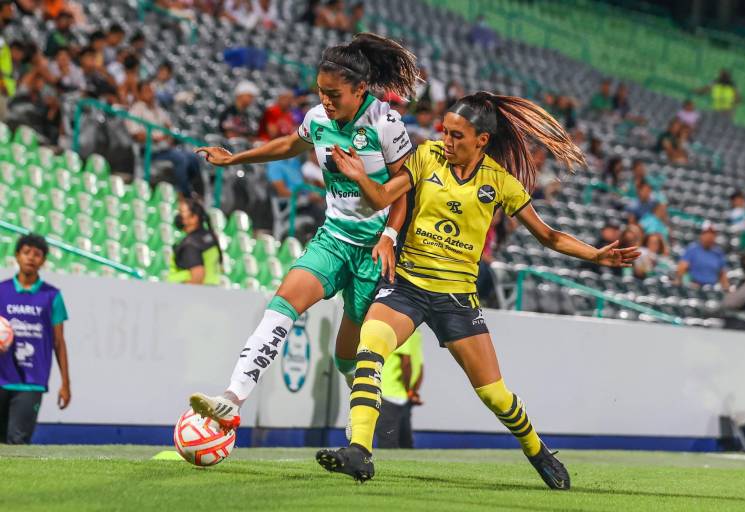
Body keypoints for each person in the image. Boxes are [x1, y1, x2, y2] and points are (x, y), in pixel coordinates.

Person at [315, 91, 639, 489]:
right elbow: (384, 196)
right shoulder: (425, 157)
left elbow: (548, 236)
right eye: (445, 133)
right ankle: (360, 451)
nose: (446, 142)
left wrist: (594, 255)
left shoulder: (499, 182)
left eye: (456, 136)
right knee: (371, 346)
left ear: (481, 140)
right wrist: (361, 177)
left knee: (494, 395)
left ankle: (537, 449)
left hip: (457, 300)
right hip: (408, 285)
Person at [189, 33, 420, 431]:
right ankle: (232, 396)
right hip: (334, 239)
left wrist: (389, 237)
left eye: (335, 94)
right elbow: (288, 145)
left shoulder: (385, 123)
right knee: (282, 303)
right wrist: (236, 158)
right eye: (321, 92)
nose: (326, 102)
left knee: (346, 356)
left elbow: (407, 185)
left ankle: (361, 404)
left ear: (360, 88)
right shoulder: (317, 119)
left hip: (374, 251)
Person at [0, 234, 71, 444]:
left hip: (31, 383)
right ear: (17, 255)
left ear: (44, 260)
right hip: (1, 378)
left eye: (37, 254)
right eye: (26, 252)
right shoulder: (1, 290)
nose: (31, 258)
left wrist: (65, 383)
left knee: (17, 442)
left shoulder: (52, 296)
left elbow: (59, 342)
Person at [126, 81, 203, 197]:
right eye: (146, 91)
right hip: (150, 151)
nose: (150, 94)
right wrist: (157, 138)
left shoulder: (158, 109)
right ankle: (185, 194)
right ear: (139, 94)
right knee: (180, 158)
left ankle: (183, 186)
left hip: (165, 149)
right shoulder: (135, 110)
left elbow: (169, 127)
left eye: (151, 90)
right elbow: (137, 135)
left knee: (193, 158)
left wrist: (169, 135)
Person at [374, 330, 423, 448]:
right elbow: (415, 366)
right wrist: (412, 391)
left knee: (389, 445)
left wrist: (410, 391)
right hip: (396, 396)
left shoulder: (405, 330)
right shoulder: (413, 332)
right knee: (404, 445)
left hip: (391, 394)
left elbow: (409, 363)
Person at [167, 197, 222, 286]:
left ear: (194, 218)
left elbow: (198, 275)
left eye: (181, 213)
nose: (178, 216)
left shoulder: (191, 244)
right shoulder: (208, 237)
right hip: (211, 289)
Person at [675, 221, 729, 288]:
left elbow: (722, 274)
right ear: (701, 235)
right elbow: (681, 268)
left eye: (712, 233)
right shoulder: (692, 249)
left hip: (711, 288)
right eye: (706, 233)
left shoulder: (719, 253)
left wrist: (726, 288)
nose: (709, 236)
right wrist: (686, 283)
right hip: (694, 287)